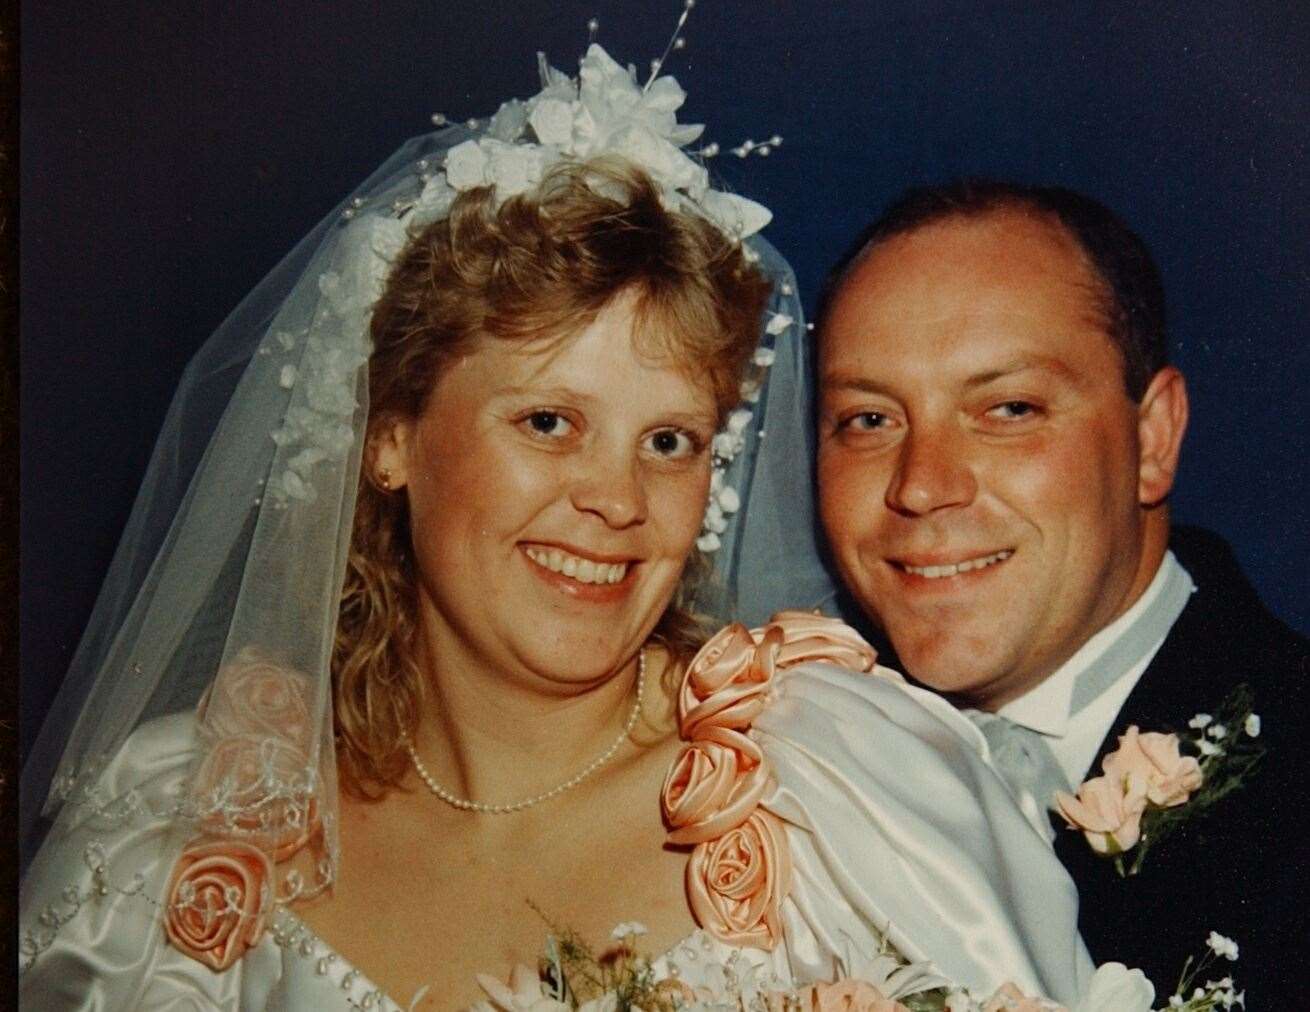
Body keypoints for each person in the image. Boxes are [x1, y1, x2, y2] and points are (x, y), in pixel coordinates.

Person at [19, 48, 1097, 1010]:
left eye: (668, 441)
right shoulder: (175, 825)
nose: (619, 501)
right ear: (390, 437)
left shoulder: (843, 795)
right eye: (548, 421)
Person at [816, 179, 1310, 1004]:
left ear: (1153, 439)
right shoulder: (791, 759)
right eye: (870, 420)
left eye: (1008, 408)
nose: (922, 487)